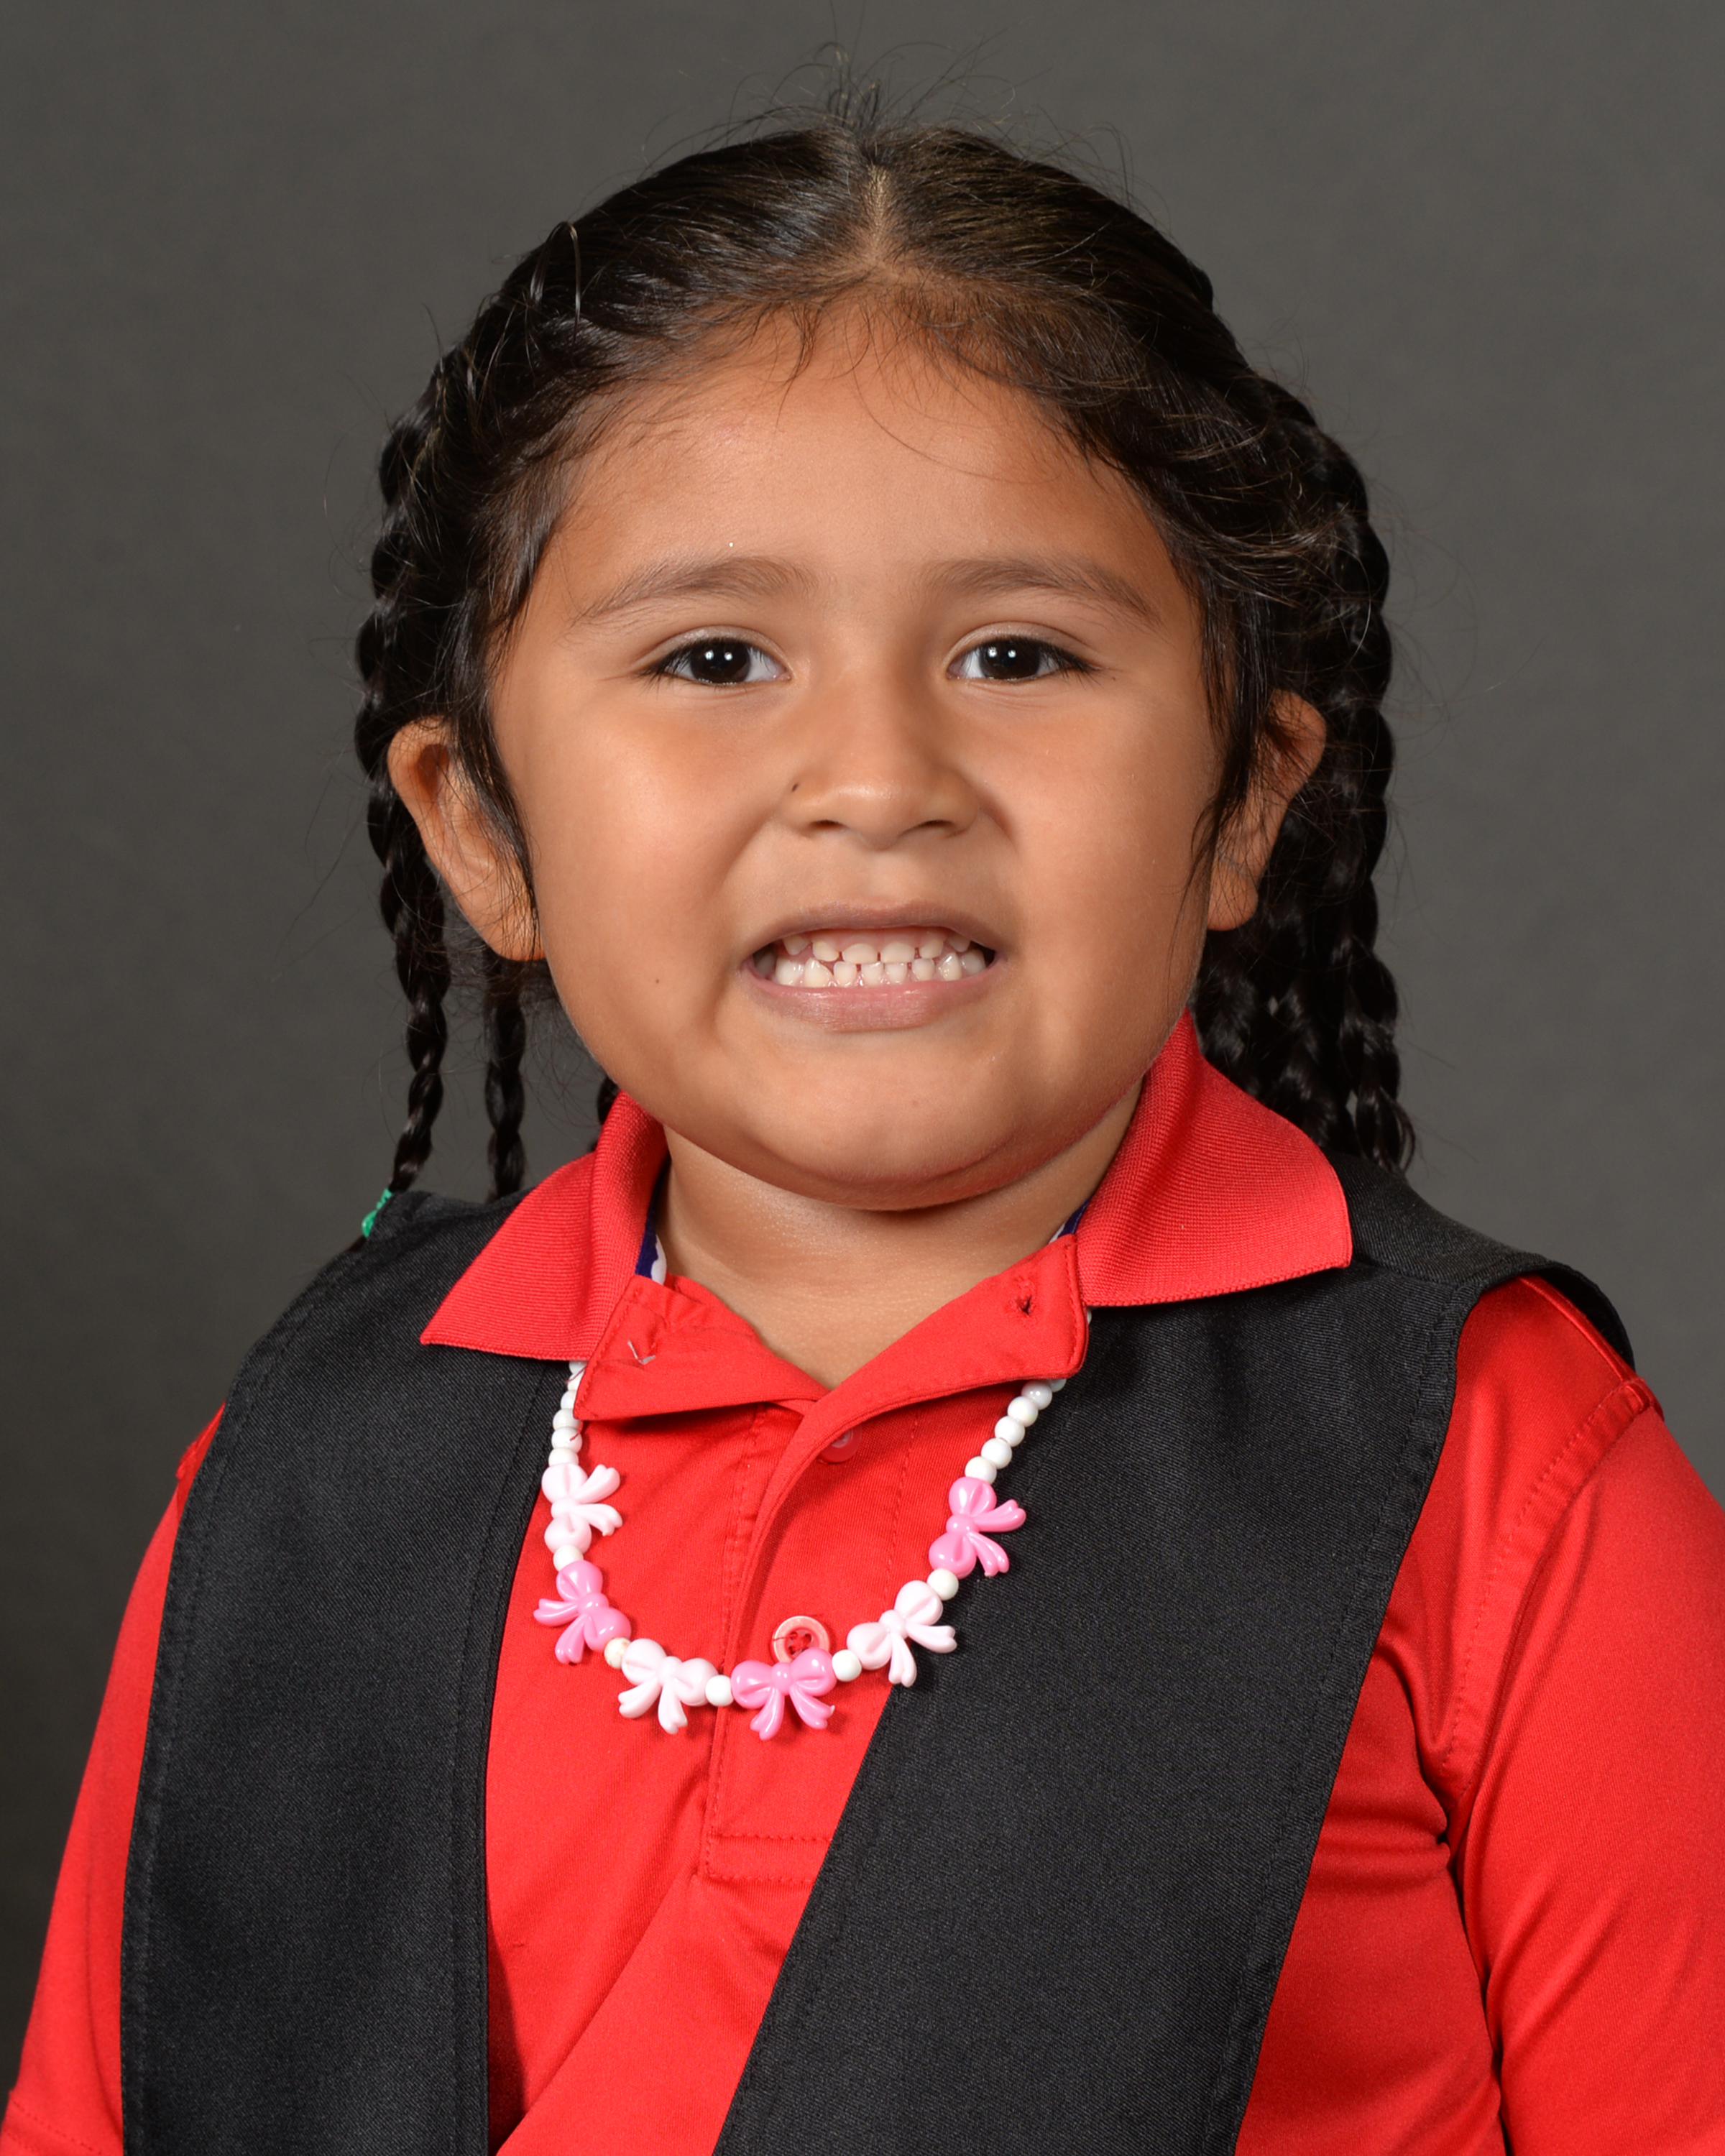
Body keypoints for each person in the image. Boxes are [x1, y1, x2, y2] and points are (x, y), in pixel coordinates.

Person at [5, 108, 1722, 2156]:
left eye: (1019, 654)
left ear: (1245, 799)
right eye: (715, 657)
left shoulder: (1495, 1467)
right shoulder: (304, 1458)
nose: (878, 775)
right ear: (484, 831)